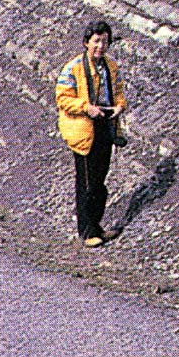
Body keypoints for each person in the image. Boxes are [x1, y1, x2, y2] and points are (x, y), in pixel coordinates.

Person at [55, 20, 127, 248]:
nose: (100, 46)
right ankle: (86, 232)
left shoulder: (111, 67)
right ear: (87, 42)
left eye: (105, 41)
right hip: (84, 129)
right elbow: (63, 98)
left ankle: (96, 226)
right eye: (96, 41)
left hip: (105, 125)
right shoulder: (73, 68)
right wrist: (86, 107)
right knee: (86, 181)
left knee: (99, 180)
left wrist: (119, 107)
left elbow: (118, 92)